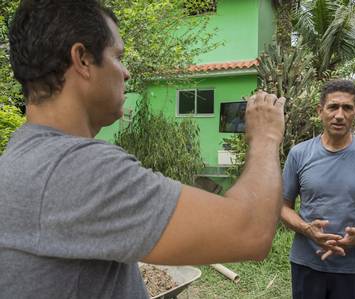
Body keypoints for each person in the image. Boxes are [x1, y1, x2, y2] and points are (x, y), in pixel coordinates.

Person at [0, 1, 285, 298]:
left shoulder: (22, 158)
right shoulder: (76, 168)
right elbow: (252, 231)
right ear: (83, 60)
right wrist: (266, 135)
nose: (126, 72)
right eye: (118, 56)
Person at [281, 79, 355, 299]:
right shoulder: (299, 154)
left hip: (353, 266)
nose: (339, 115)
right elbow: (283, 207)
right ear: (320, 110)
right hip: (307, 263)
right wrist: (307, 229)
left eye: (347, 108)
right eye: (333, 107)